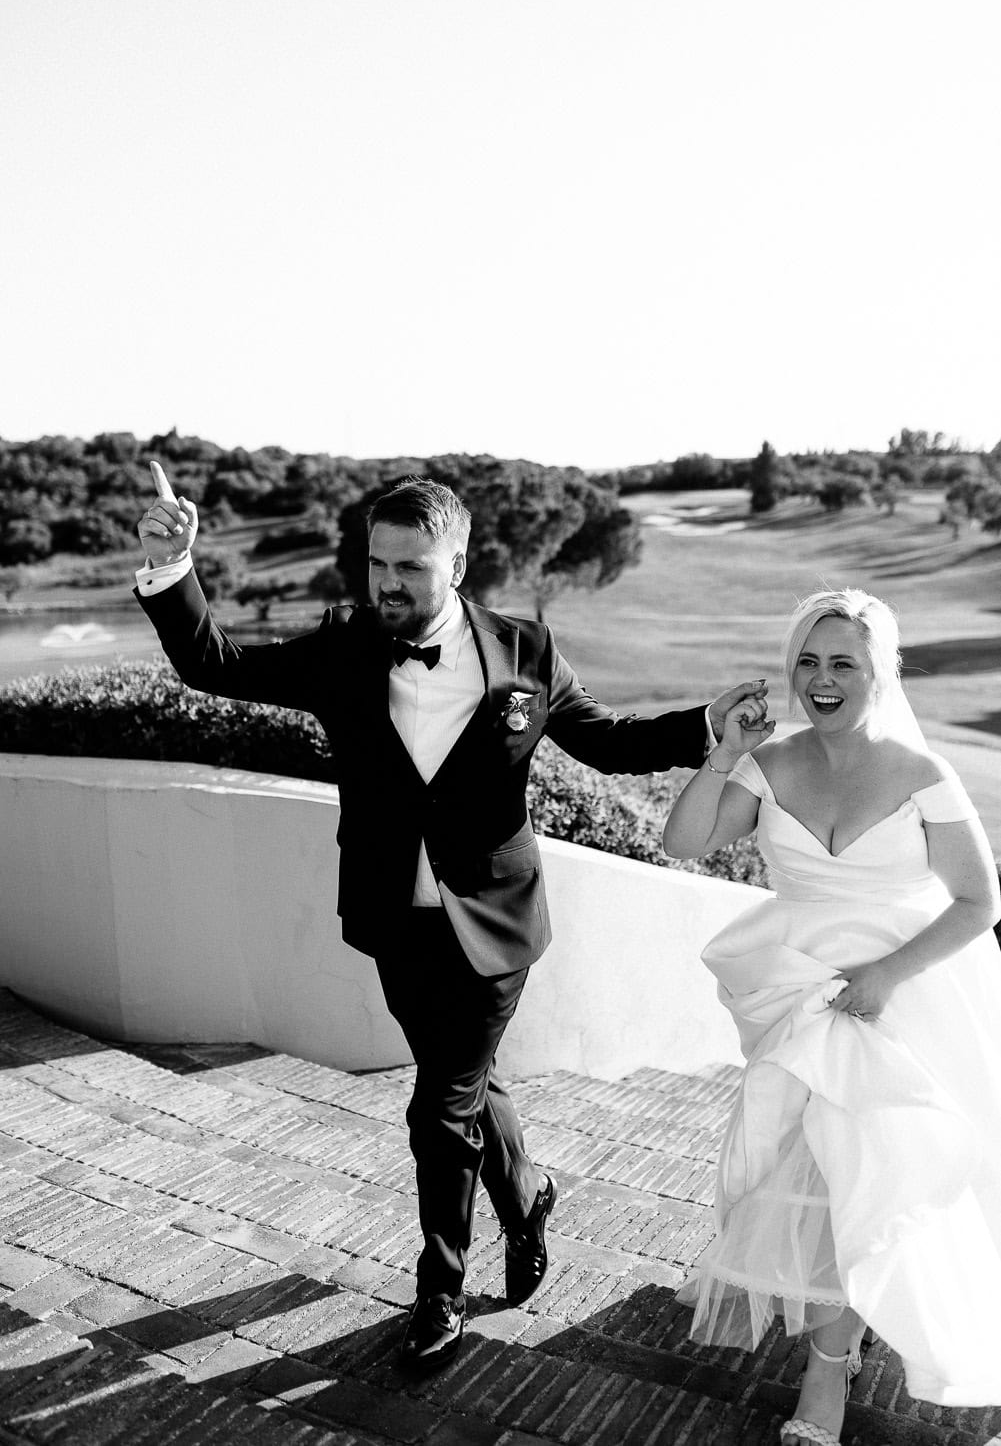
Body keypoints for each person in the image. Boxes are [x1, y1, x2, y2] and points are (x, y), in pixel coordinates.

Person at [134, 461, 768, 1371]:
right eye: (377, 563)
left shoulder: (526, 653)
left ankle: (440, 1289)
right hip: (396, 917)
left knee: (439, 1105)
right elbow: (213, 663)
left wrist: (703, 723)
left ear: (458, 565)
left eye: (410, 568)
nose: (387, 583)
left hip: (496, 919)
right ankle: (529, 1194)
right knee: (462, 1082)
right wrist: (175, 568)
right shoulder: (344, 649)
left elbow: (608, 744)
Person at [663, 588, 1001, 1444]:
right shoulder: (767, 762)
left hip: (904, 996)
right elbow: (684, 843)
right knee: (812, 1166)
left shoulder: (925, 775)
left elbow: (976, 902)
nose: (821, 679)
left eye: (842, 662)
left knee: (872, 1167)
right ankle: (835, 1346)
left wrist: (887, 974)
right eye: (806, 662)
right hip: (798, 990)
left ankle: (827, 1376)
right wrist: (722, 753)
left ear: (879, 672)